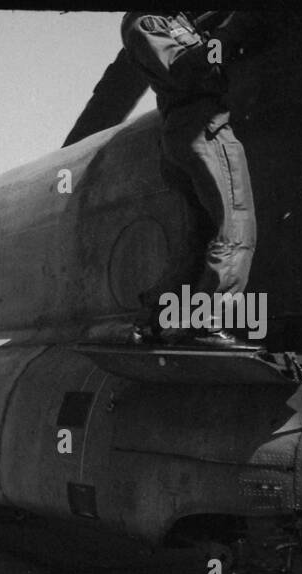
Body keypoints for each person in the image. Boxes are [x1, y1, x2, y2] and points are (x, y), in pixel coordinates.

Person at [122, 11, 258, 347]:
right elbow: (187, 70)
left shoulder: (172, 19)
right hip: (203, 127)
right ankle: (209, 323)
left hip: (186, 131)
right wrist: (229, 34)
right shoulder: (146, 23)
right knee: (236, 229)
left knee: (200, 237)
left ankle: (151, 322)